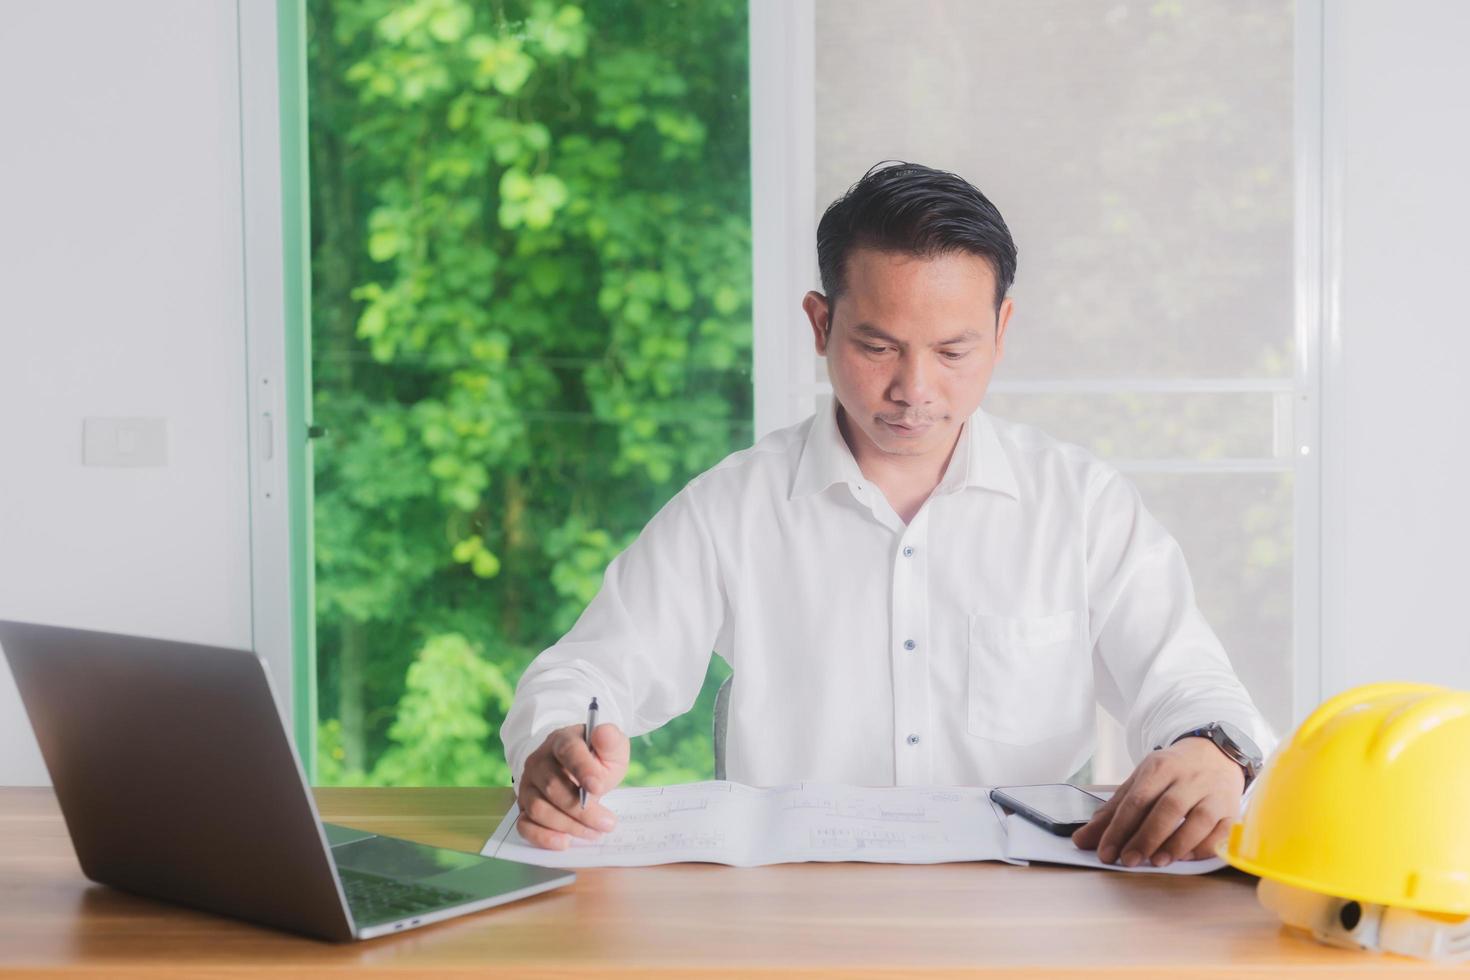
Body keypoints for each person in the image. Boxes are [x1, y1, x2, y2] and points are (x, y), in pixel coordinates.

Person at [500, 161, 1276, 869]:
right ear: (820, 324)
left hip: (1025, 911)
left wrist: (1213, 749)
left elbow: (1191, 684)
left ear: (1002, 332)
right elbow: (586, 672)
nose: (915, 388)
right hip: (789, 915)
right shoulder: (731, 508)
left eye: (952, 351)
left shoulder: (1081, 507)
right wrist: (558, 739)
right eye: (877, 347)